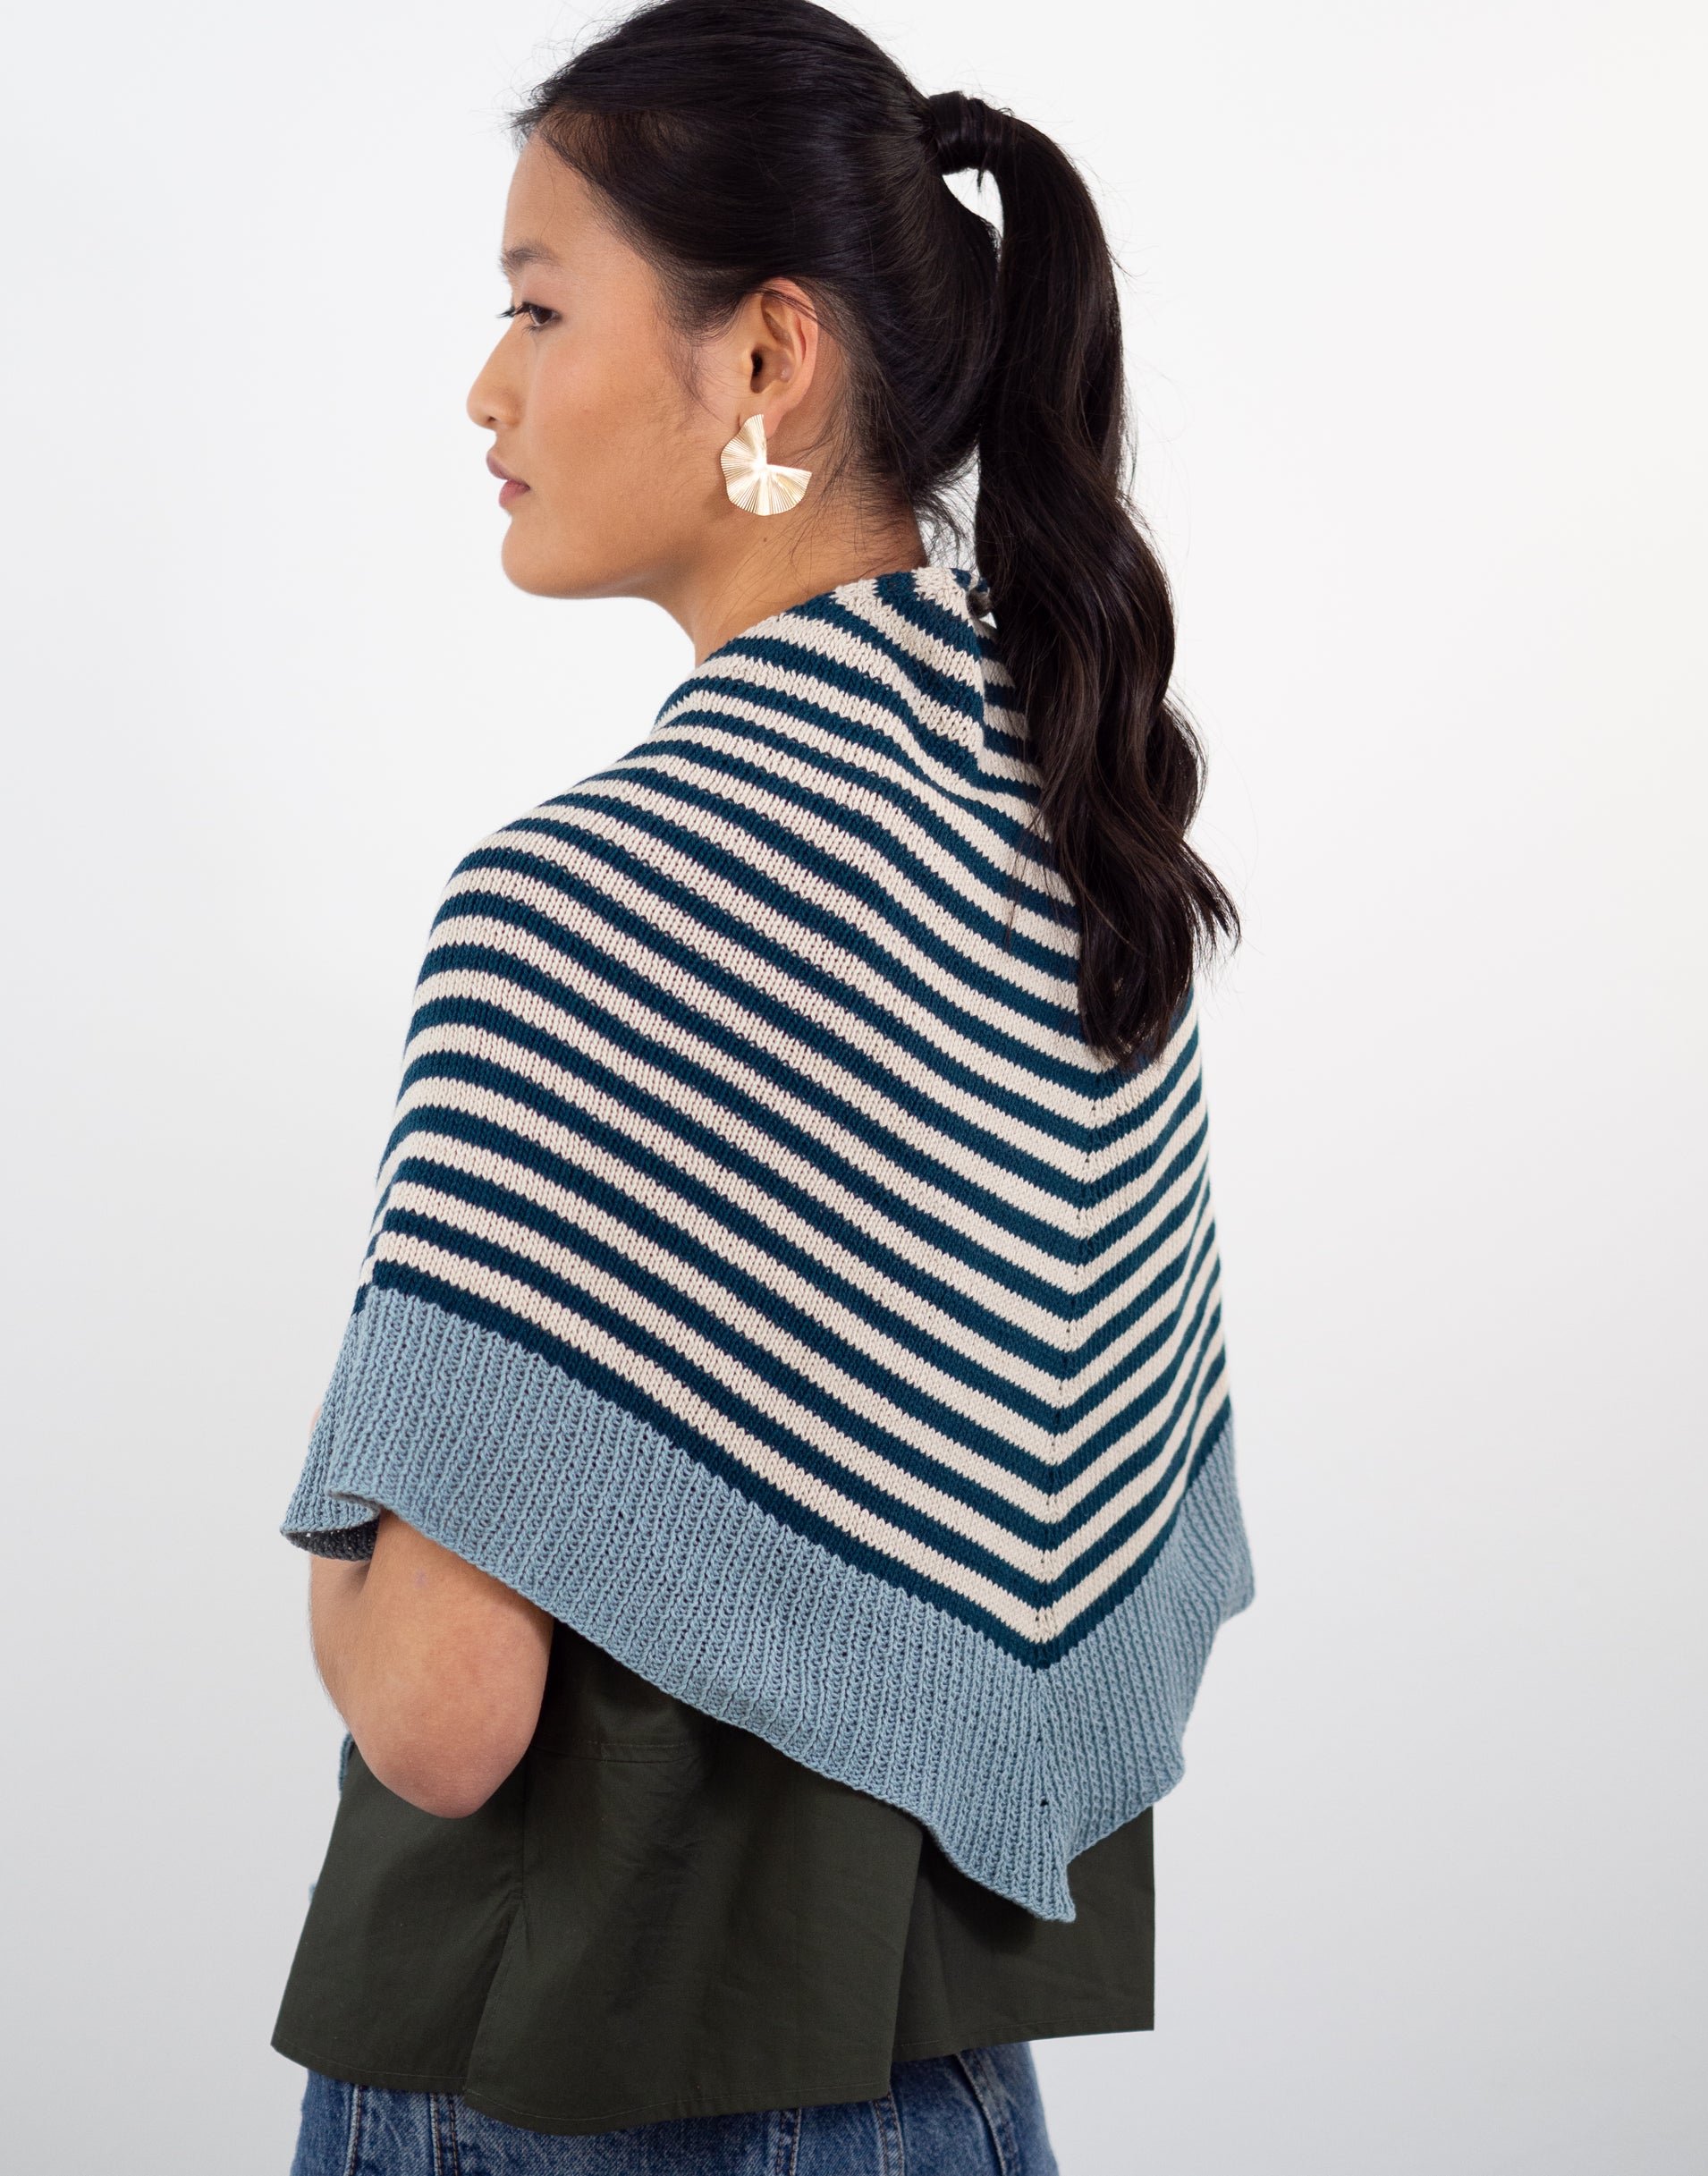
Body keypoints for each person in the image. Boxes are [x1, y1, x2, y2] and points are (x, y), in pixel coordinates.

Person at [274, 3, 1256, 2169]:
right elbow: (1052, 1549)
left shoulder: (579, 902)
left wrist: (345, 1539)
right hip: (944, 2096)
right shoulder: (1082, 852)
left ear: (765, 360)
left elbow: (443, 1714)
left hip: (558, 2091)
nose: (487, 385)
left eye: (539, 305)